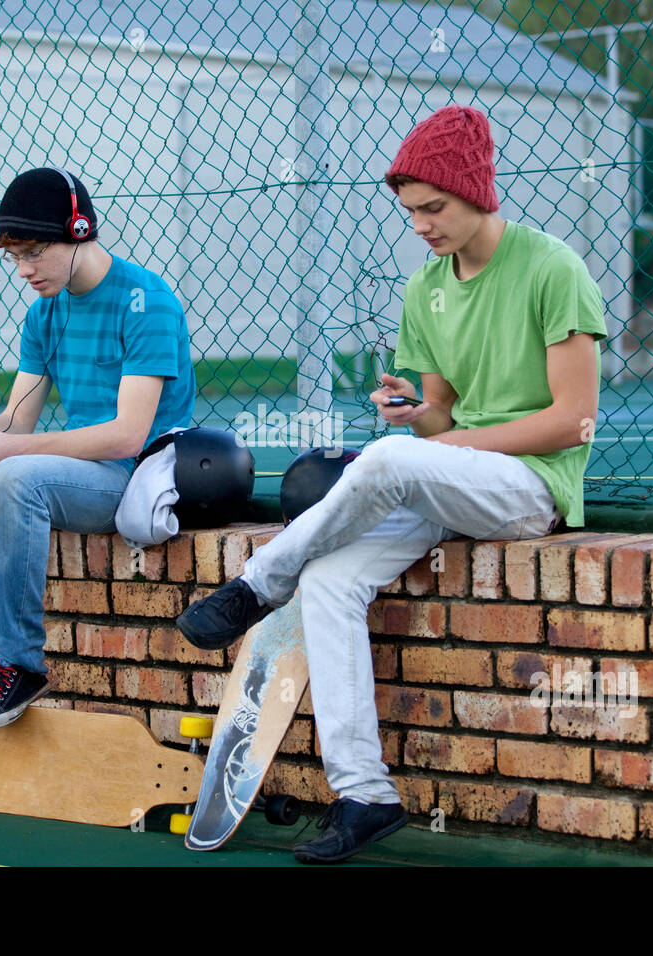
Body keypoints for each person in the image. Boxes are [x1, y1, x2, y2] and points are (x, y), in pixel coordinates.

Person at [177, 105, 608, 863]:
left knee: (381, 461)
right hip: (452, 480)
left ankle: (254, 584)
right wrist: (416, 416)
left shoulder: (553, 268)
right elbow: (441, 420)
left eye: (434, 207)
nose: (420, 225)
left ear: (478, 190)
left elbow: (573, 421)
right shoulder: (424, 291)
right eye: (409, 212)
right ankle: (365, 794)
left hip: (532, 490)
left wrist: (429, 443)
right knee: (333, 582)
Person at [0, 167, 196, 731]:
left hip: (127, 477)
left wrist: (11, 448)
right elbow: (16, 416)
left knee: (16, 475)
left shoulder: (148, 302)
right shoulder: (44, 311)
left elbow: (127, 434)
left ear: (78, 229)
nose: (23, 270)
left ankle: (17, 664)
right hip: (63, 474)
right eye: (13, 257)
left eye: (33, 252)